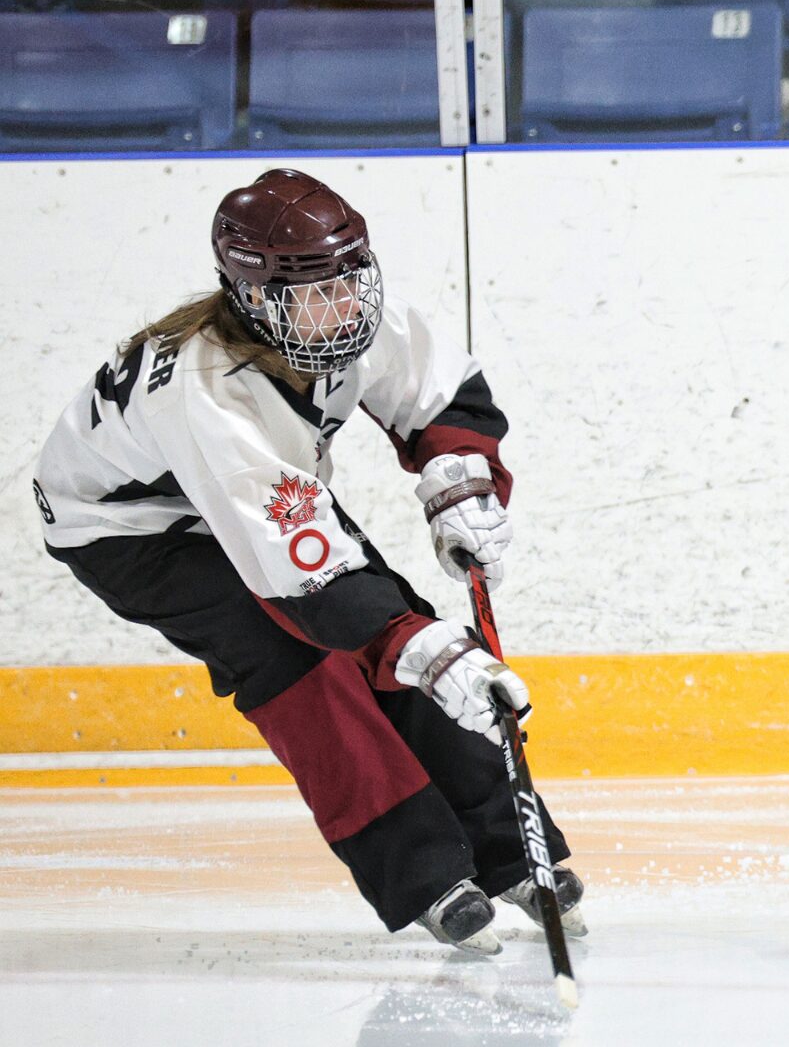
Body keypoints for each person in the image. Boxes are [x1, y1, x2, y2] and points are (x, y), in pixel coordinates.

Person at [34, 169, 586, 954]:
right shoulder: (205, 395)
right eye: (313, 293)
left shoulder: (347, 309)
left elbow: (438, 393)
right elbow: (308, 583)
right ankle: (423, 875)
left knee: (408, 637)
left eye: (350, 281)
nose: (343, 306)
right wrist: (419, 651)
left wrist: (457, 476)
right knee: (303, 669)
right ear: (253, 298)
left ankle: (510, 850)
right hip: (132, 529)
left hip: (251, 491)